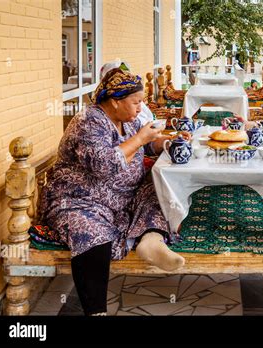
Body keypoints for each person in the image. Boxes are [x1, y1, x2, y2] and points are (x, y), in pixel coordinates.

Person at [40, 69, 186, 316]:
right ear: (116, 101)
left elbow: (147, 144)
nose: (141, 108)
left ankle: (151, 240)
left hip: (122, 196)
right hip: (80, 199)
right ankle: (96, 311)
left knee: (161, 188)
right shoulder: (89, 121)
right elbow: (103, 165)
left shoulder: (126, 120)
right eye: (136, 102)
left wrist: (168, 142)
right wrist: (140, 138)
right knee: (90, 232)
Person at [99, 60, 154, 126]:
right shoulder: (96, 120)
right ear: (115, 102)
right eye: (136, 103)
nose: (139, 109)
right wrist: (141, 136)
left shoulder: (128, 117)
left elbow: (146, 123)